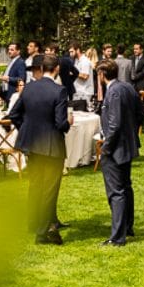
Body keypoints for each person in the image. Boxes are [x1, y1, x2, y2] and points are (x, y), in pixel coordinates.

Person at [16, 53, 71, 245]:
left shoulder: (29, 87)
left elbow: (14, 113)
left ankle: (33, 223)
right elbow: (60, 123)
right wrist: (68, 123)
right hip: (51, 146)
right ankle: (43, 232)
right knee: (49, 189)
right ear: (56, 69)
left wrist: (26, 130)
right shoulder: (59, 91)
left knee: (36, 185)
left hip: (31, 143)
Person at [96, 59, 143, 246]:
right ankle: (127, 226)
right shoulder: (128, 87)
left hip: (116, 149)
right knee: (125, 187)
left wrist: (106, 148)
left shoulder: (114, 91)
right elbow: (141, 113)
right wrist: (131, 132)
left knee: (116, 192)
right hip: (127, 146)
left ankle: (117, 237)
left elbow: (114, 125)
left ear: (102, 74)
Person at [69, 40, 93, 113]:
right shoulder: (76, 60)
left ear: (78, 50)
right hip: (77, 92)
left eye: (72, 51)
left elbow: (85, 76)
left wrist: (73, 73)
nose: (70, 54)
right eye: (69, 52)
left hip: (84, 93)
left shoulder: (85, 61)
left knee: (82, 115)